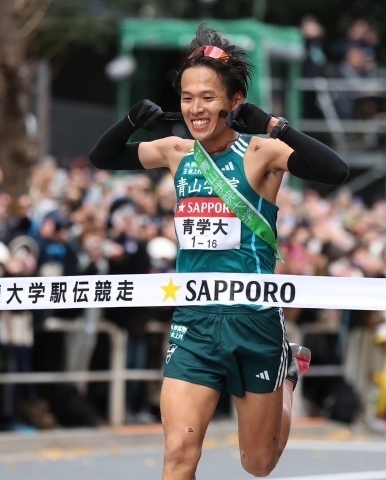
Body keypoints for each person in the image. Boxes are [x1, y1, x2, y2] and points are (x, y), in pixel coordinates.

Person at [89, 24, 348, 479]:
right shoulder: (174, 151)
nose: (195, 109)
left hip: (254, 321)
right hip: (195, 322)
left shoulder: (263, 152)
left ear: (234, 100)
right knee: (178, 456)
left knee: (258, 465)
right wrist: (130, 122)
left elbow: (335, 171)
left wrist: (273, 124)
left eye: (208, 97)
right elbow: (103, 158)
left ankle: (286, 374)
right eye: (187, 98)